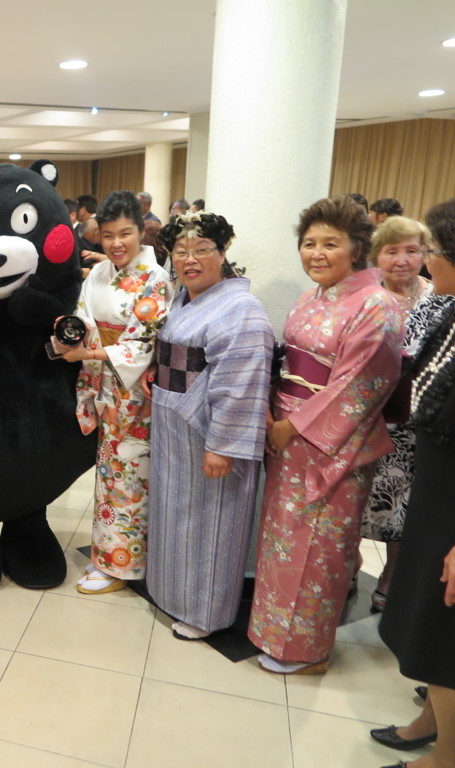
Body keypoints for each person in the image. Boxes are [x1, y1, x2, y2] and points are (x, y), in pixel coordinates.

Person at [248, 196, 403, 675]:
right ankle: (274, 631)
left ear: (357, 248)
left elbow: (360, 384)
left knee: (320, 544)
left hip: (331, 439)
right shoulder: (311, 296)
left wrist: (292, 426)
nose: (316, 253)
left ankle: (307, 649)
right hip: (287, 431)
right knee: (284, 538)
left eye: (330, 244)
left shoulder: (378, 305)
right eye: (309, 243)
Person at [146, 211, 274, 640]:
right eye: (180, 251)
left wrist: (222, 445)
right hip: (174, 428)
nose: (190, 259)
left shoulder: (242, 310)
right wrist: (157, 373)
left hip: (208, 436)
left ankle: (205, 612)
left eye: (203, 250)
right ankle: (172, 594)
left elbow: (240, 384)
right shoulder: (183, 299)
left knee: (211, 525)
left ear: (223, 252)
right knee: (178, 519)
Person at [56, 190, 171, 594]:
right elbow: (86, 316)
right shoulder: (102, 274)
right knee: (111, 474)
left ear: (142, 232)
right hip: (105, 381)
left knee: (129, 475)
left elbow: (142, 342)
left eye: (125, 234)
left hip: (134, 390)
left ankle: (123, 565)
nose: (117, 243)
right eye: (108, 235)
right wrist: (71, 332)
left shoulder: (155, 279)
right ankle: (109, 556)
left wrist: (89, 351)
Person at [376, 198, 455, 768]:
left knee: (445, 631)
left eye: (432, 252)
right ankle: (430, 721)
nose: (425, 263)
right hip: (434, 494)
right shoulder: (451, 312)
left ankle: (446, 756)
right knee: (426, 620)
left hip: (454, 510)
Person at [361, 216, 436, 612]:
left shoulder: (439, 297)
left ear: (425, 254)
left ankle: (391, 575)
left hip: (414, 421)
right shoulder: (364, 296)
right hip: (365, 416)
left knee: (400, 504)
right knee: (357, 494)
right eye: (392, 251)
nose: (402, 260)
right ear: (377, 256)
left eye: (412, 250)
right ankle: (350, 563)